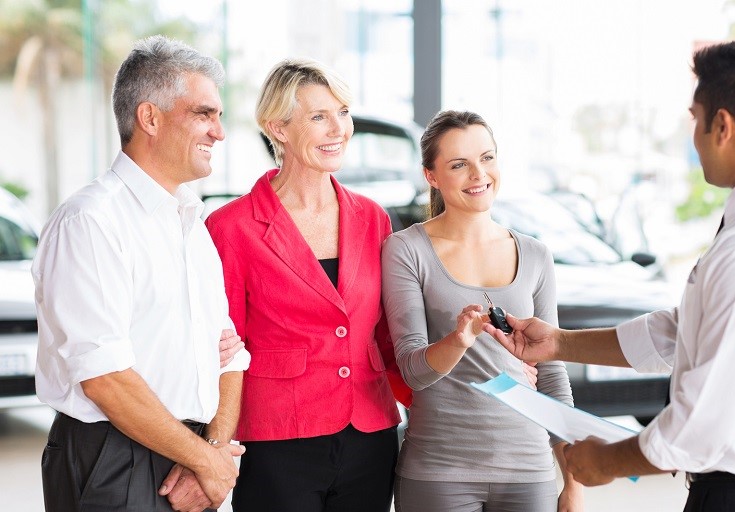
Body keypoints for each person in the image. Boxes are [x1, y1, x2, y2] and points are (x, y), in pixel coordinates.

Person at [485, 39, 735, 512]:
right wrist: (559, 343)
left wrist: (607, 462)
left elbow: (706, 423)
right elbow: (685, 331)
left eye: (695, 118)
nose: (695, 135)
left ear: (721, 125)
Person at [32, 35, 251, 512]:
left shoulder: (191, 224)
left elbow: (230, 355)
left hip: (188, 454)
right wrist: (210, 464)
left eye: (219, 115)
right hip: (111, 456)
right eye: (204, 114)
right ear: (149, 117)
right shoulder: (90, 221)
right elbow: (104, 377)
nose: (219, 131)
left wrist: (209, 454)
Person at [204, 58, 410, 512]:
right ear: (278, 127)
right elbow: (224, 348)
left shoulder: (372, 217)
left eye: (343, 112)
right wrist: (213, 445)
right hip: (278, 437)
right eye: (319, 117)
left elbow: (388, 332)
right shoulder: (231, 227)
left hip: (370, 431)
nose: (338, 128)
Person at [381, 110, 583, 512]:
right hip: (439, 472)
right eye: (459, 164)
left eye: (487, 158)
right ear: (431, 176)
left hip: (530, 471)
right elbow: (412, 370)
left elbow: (552, 374)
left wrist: (573, 483)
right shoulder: (406, 250)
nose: (478, 174)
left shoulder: (536, 255)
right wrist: (459, 339)